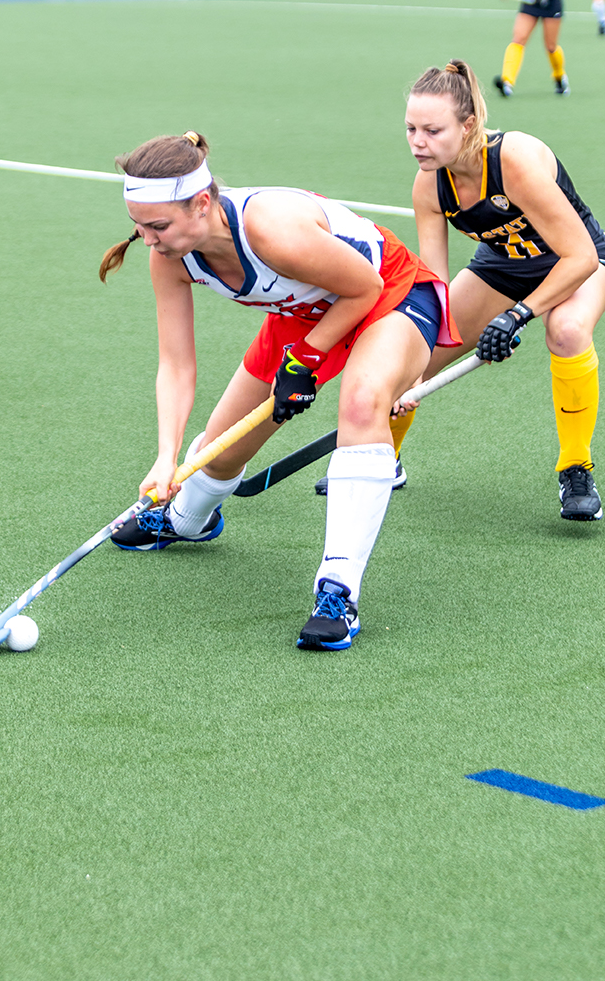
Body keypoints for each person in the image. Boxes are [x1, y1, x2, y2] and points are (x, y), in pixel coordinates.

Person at [98, 132, 459, 650]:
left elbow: (366, 288)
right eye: (139, 228)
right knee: (222, 450)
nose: (149, 241)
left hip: (390, 293)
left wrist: (308, 359)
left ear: (203, 204)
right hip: (301, 313)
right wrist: (166, 457)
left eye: (158, 227)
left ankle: (338, 591)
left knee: (361, 402)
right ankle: (188, 521)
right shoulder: (170, 258)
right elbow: (176, 365)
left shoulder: (272, 230)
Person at [398, 59, 605, 522]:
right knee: (411, 349)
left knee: (568, 330)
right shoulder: (429, 187)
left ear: (468, 124)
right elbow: (435, 286)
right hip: (502, 267)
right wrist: (412, 346)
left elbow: (581, 258)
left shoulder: (511, 161)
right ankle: (381, 457)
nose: (419, 142)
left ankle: (575, 467)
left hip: (574, 261)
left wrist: (517, 316)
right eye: (411, 129)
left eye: (433, 130)